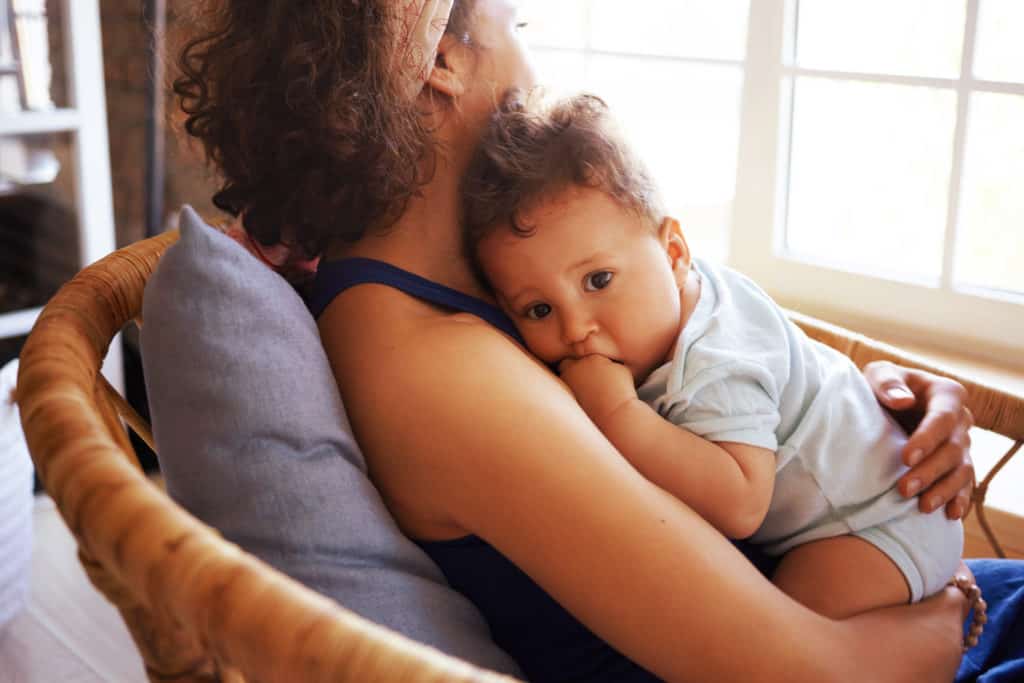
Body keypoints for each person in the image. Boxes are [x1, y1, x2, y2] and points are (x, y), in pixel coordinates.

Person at [174, 1, 1023, 681]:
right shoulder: (438, 369)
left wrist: (878, 396)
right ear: (439, 57)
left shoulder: (482, 280)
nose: (532, 63)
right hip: (876, 633)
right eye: (521, 27)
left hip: (846, 576)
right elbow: (802, 668)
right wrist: (960, 603)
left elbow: (721, 342)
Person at [461, 90, 965, 621]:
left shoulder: (713, 364)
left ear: (674, 253)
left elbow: (742, 502)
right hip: (869, 500)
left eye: (599, 280)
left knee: (782, 631)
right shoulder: (671, 305)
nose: (576, 328)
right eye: (538, 309)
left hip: (879, 522)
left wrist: (617, 414)